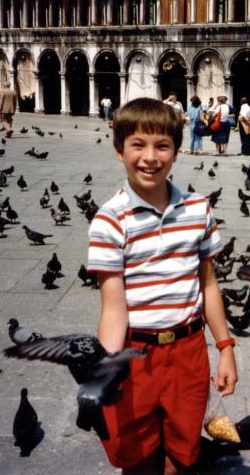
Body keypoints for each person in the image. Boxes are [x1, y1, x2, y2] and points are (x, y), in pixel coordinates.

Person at [87, 97, 237, 474]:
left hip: (188, 351)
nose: (150, 157)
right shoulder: (109, 221)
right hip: (135, 355)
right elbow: (113, 308)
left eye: (162, 146)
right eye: (138, 144)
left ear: (176, 150)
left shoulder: (198, 209)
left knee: (182, 453)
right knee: (135, 455)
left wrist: (225, 346)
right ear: (119, 150)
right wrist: (104, 367)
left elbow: (209, 286)